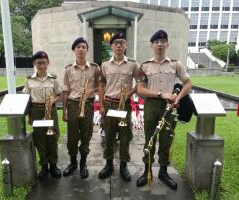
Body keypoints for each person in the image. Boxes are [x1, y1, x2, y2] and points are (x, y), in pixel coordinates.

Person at [135, 30, 192, 190]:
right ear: (151, 45)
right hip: (152, 106)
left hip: (170, 106)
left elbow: (188, 83)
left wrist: (178, 97)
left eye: (163, 42)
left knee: (167, 140)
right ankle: (147, 171)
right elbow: (140, 89)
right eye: (156, 42)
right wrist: (161, 94)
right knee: (149, 139)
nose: (159, 44)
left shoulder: (175, 64)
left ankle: (163, 172)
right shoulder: (144, 66)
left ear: (167, 45)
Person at [98, 32, 139, 182]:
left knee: (125, 136)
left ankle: (123, 165)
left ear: (126, 45)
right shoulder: (104, 64)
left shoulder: (133, 64)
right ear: (112, 46)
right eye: (116, 43)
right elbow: (101, 85)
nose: (119, 45)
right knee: (108, 136)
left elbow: (141, 82)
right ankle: (108, 164)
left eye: (122, 43)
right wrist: (101, 105)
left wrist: (131, 92)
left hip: (124, 105)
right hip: (109, 104)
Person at [62, 37, 100, 179]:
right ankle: (73, 163)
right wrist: (64, 110)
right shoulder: (68, 69)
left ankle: (83, 164)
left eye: (83, 47)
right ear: (74, 50)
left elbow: (99, 87)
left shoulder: (95, 68)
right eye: (78, 47)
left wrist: (92, 93)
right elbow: (65, 90)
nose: (81, 49)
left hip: (88, 105)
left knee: (86, 135)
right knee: (72, 137)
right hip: (72, 104)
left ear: (87, 50)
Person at [23, 51, 62, 180]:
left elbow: (60, 95)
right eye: (38, 63)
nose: (41, 66)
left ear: (48, 63)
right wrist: (29, 116)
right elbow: (27, 99)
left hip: (51, 111)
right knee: (40, 139)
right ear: (34, 64)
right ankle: (44, 166)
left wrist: (53, 100)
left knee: (52, 138)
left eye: (44, 63)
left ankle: (53, 165)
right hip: (36, 111)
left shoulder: (53, 79)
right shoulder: (29, 80)